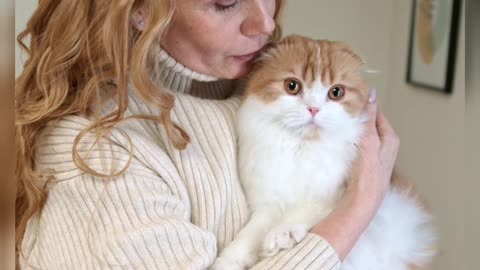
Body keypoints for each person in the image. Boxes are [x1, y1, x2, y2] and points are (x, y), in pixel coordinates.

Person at [15, 0, 400, 269]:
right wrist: (358, 208)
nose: (265, 24)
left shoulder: (259, 92)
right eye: (226, 2)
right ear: (140, 10)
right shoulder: (96, 149)